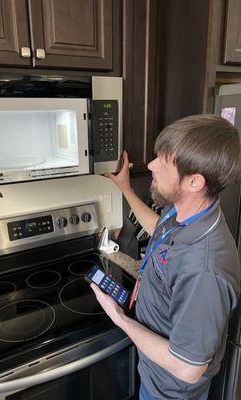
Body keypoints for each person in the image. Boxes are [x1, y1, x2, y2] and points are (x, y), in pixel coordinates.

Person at [91, 114, 241, 399]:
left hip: (169, 392)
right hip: (154, 372)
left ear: (194, 182)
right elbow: (157, 227)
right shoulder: (188, 213)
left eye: (162, 160)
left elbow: (188, 369)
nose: (150, 165)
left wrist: (120, 318)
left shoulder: (205, 271)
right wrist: (124, 187)